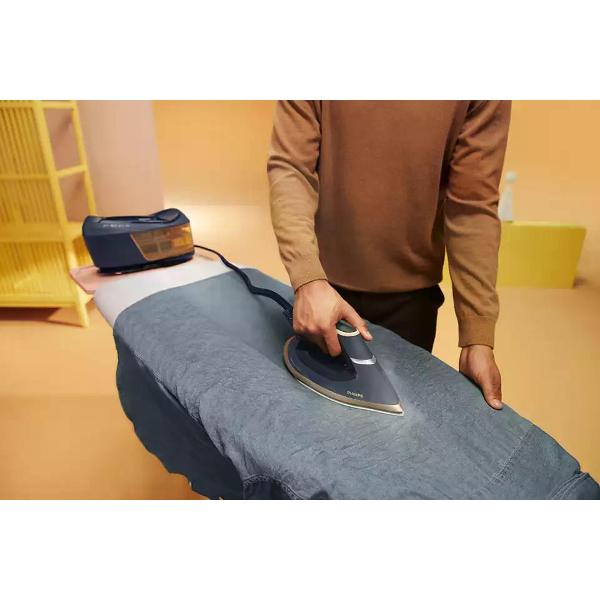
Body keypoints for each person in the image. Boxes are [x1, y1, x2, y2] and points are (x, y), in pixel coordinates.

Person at [267, 101, 511, 410]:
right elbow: (292, 168)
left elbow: (472, 206)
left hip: (413, 303)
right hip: (323, 289)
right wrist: (308, 278)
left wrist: (478, 337)